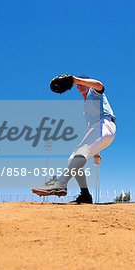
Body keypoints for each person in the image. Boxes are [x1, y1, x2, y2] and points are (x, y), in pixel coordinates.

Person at [31, 75, 116, 204]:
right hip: (100, 130)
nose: (79, 85)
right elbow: (92, 134)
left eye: (82, 83)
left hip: (105, 124)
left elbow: (99, 85)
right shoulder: (86, 107)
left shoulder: (94, 93)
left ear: (87, 84)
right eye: (77, 85)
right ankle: (85, 195)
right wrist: (96, 152)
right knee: (72, 159)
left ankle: (60, 183)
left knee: (80, 153)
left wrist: (75, 79)